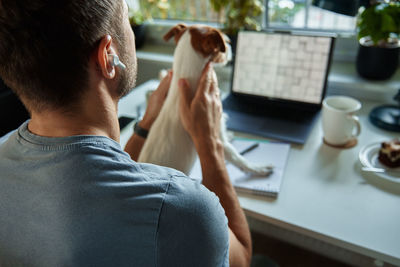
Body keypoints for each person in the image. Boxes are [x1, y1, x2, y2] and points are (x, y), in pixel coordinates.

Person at [0, 0, 252, 266]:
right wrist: (208, 141)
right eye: (128, 19)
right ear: (108, 56)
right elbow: (241, 256)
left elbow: (99, 177)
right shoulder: (181, 211)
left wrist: (145, 125)